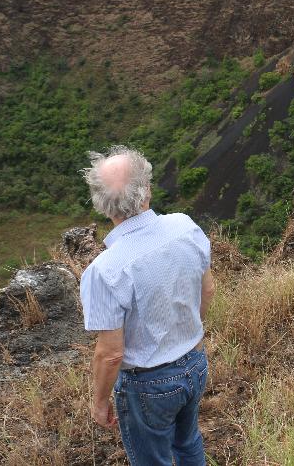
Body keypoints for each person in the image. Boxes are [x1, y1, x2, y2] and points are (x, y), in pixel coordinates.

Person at [79, 145, 215, 466]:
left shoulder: (104, 271)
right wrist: (186, 334)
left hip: (148, 384)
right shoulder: (185, 227)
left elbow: (110, 353)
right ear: (147, 191)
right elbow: (207, 290)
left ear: (101, 205)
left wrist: (99, 402)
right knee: (188, 441)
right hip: (195, 361)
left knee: (151, 460)